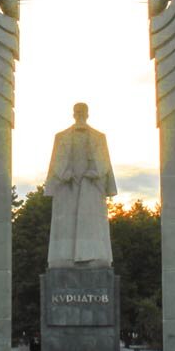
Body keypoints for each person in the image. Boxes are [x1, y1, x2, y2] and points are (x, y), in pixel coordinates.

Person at [45, 102, 117, 268]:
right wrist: (64, 173)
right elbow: (55, 161)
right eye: (77, 111)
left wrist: (95, 172)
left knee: (92, 225)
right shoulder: (61, 136)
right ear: (73, 114)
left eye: (82, 111)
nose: (79, 114)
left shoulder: (99, 137)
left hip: (91, 185)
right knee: (65, 226)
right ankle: (64, 259)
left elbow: (104, 162)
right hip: (67, 185)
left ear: (87, 114)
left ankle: (93, 257)